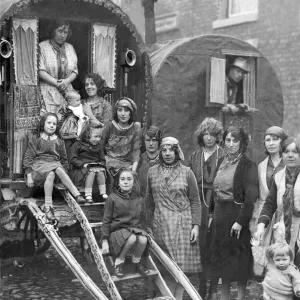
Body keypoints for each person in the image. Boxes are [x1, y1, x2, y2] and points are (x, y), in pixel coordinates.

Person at [146, 137, 202, 300]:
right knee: (165, 268)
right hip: (161, 226)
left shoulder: (187, 172)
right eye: (164, 150)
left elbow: (195, 200)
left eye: (171, 150)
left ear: (177, 151)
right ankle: (167, 297)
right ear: (160, 152)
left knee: (180, 269)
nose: (167, 153)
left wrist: (196, 226)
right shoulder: (152, 172)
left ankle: (177, 297)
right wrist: (147, 225)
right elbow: (148, 202)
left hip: (182, 225)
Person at [209, 126, 258, 300]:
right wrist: (211, 214)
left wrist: (239, 221)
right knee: (222, 257)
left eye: (234, 140)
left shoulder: (248, 165)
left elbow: (250, 198)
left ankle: (241, 296)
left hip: (237, 215)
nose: (230, 144)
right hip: (220, 215)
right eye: (228, 140)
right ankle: (224, 296)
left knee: (238, 258)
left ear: (242, 143)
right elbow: (215, 192)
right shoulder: (221, 162)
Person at [23, 112, 86, 221]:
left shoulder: (58, 139)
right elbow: (28, 157)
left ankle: (76, 195)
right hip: (39, 166)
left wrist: (64, 174)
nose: (52, 125)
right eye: (49, 123)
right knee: (52, 172)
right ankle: (48, 207)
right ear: (43, 124)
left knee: (58, 169)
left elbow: (63, 158)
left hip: (55, 164)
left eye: (54, 124)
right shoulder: (36, 138)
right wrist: (29, 176)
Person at [188, 117, 224, 300]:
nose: (208, 138)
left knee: (215, 247)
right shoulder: (194, 156)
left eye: (212, 134)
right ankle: (202, 286)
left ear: (218, 136)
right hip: (199, 205)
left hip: (219, 204)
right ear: (201, 136)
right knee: (201, 247)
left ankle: (213, 289)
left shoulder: (224, 155)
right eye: (205, 134)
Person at [255, 137, 300, 259]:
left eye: (295, 152)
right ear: (281, 154)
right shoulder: (279, 177)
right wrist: (260, 227)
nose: (290, 155)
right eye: (286, 151)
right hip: (283, 231)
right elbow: (270, 205)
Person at [101, 168, 150, 277]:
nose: (126, 182)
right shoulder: (112, 198)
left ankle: (136, 263)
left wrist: (147, 231)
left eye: (129, 179)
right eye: (122, 179)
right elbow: (106, 220)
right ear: (118, 182)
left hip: (134, 231)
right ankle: (119, 263)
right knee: (131, 237)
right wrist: (104, 240)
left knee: (143, 239)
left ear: (134, 182)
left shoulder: (139, 199)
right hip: (117, 233)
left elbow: (143, 219)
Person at [250, 126, 288, 234]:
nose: (271, 143)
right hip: (264, 218)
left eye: (275, 139)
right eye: (268, 140)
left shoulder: (289, 164)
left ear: (283, 142)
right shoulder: (261, 166)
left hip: (285, 217)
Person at [39, 20, 78, 119]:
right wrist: (57, 83)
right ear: (53, 31)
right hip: (48, 89)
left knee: (68, 121)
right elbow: (40, 70)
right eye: (60, 31)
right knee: (51, 120)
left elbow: (75, 71)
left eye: (65, 32)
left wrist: (66, 81)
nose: (63, 35)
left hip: (67, 89)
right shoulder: (42, 47)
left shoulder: (70, 48)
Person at [102, 97, 141, 186]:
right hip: (109, 163)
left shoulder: (136, 128)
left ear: (131, 113)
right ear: (116, 112)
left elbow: (136, 150)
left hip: (127, 164)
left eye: (126, 111)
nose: (123, 114)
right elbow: (101, 147)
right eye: (120, 110)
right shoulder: (109, 126)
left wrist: (133, 170)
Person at [68, 124, 107, 203]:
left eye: (99, 137)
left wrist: (99, 164)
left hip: (95, 166)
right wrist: (83, 164)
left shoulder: (98, 146)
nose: (98, 139)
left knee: (100, 171)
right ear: (87, 135)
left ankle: (103, 193)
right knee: (92, 171)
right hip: (82, 168)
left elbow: (102, 159)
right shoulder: (78, 145)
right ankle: (88, 194)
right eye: (95, 136)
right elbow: (72, 159)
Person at [137, 126, 162, 197]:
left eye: (154, 140)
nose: (151, 144)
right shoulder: (138, 160)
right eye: (148, 140)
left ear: (159, 141)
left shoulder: (165, 159)